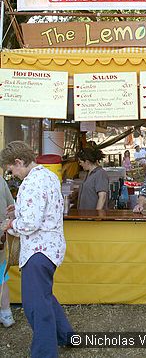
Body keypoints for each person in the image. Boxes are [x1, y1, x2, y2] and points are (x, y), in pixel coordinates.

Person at [0, 141, 73, 357]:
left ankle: (44, 353)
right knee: (44, 296)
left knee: (35, 307)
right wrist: (19, 208)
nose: (12, 175)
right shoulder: (47, 175)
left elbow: (30, 224)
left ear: (19, 162)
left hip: (37, 252)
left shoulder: (31, 183)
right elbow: (45, 207)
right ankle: (67, 336)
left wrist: (10, 224)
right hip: (51, 249)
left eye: (11, 170)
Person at [0, 175, 15, 328]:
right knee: (1, 277)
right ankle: (6, 314)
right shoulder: (0, 180)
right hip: (1, 235)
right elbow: (11, 206)